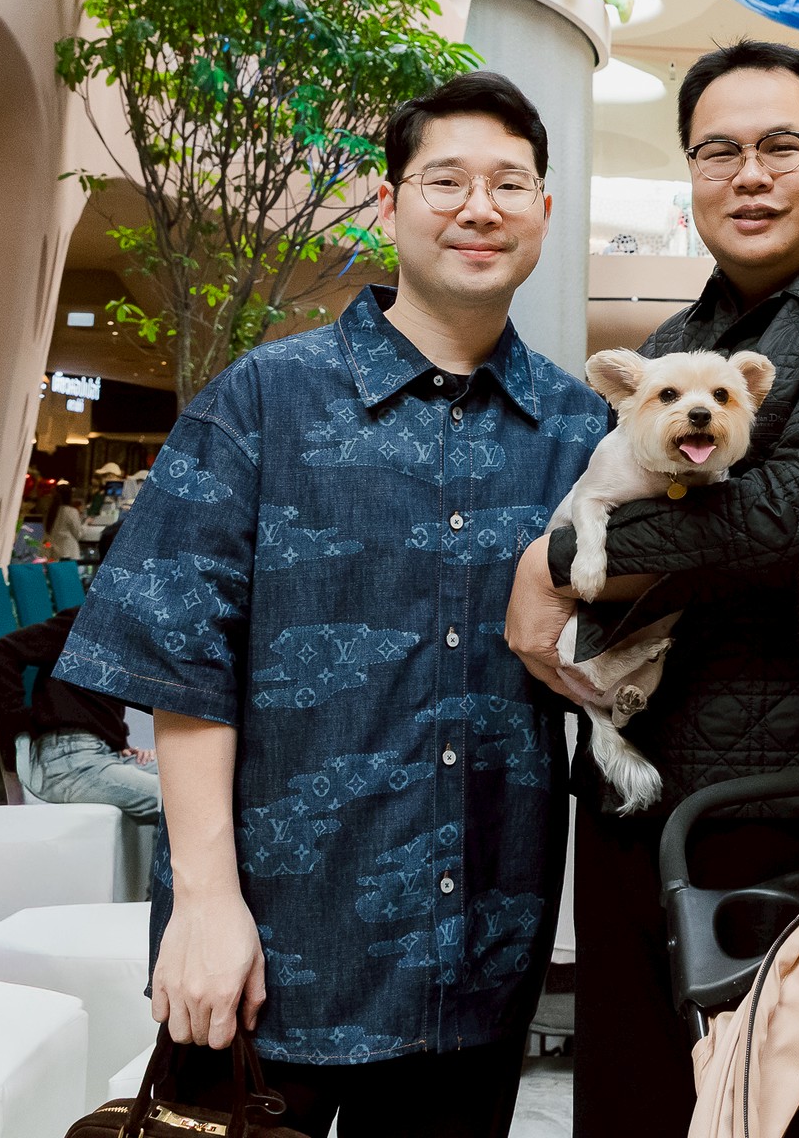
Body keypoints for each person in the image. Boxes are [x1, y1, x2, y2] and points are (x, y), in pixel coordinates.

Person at [57, 72, 609, 1138]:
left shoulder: (582, 433)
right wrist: (205, 903)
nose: (480, 208)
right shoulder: (264, 399)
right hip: (270, 959)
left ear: (544, 212)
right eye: (446, 181)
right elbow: (182, 666)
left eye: (509, 184)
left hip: (478, 970)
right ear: (390, 203)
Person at [504, 39, 799, 1138]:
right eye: (718, 152)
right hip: (638, 799)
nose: (750, 175)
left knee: (786, 1111)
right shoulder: (680, 338)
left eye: (782, 145)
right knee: (631, 1102)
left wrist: (552, 563)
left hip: (785, 804)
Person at [0, 605, 159, 822]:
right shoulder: (89, 621)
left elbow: (93, 705)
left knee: (194, 782)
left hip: (104, 754)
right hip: (68, 760)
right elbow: (4, 650)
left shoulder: (132, 636)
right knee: (179, 801)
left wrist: (118, 744)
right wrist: (19, 735)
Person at [49, 494, 96, 562]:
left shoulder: (52, 511)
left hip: (55, 553)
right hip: (68, 553)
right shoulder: (70, 511)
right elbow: (78, 534)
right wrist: (86, 523)